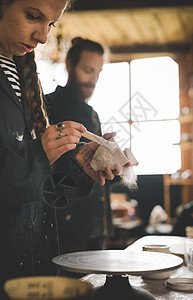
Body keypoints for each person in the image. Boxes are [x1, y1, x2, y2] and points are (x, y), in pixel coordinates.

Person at [0, 0, 130, 296]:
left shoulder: (23, 77)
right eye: (33, 16)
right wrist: (40, 156)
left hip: (38, 259)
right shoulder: (49, 100)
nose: (43, 37)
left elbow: (44, 192)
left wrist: (80, 169)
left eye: (51, 24)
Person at [45, 37, 113, 253]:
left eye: (98, 73)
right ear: (69, 65)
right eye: (88, 70)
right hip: (62, 227)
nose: (93, 79)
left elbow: (97, 170)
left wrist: (115, 163)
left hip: (97, 224)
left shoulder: (93, 115)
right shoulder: (46, 106)